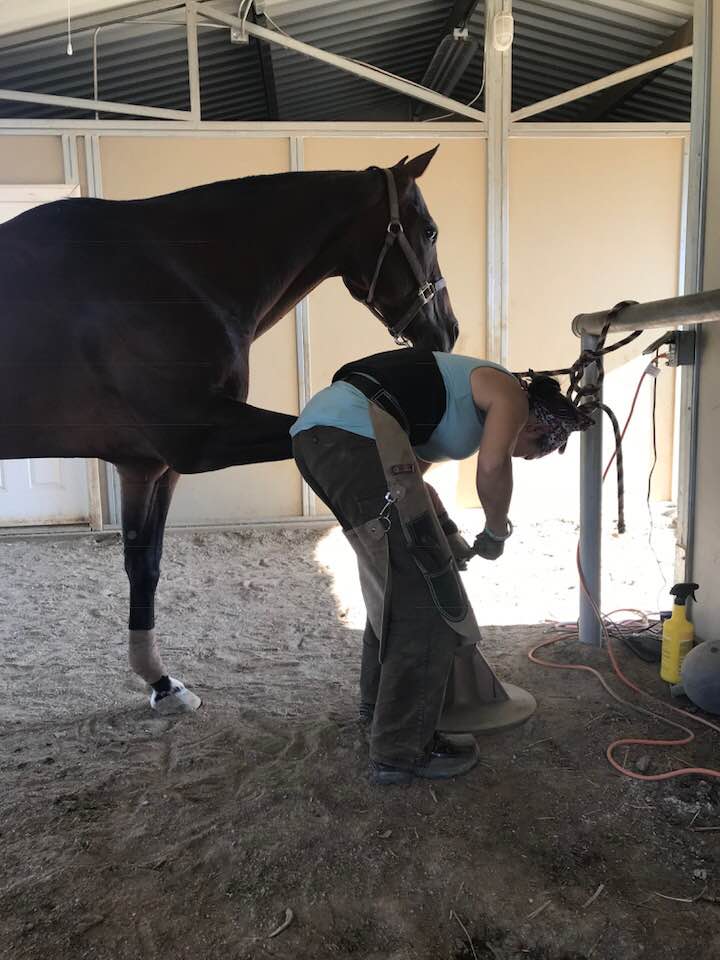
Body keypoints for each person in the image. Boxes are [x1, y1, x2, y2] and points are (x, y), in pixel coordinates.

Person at [291, 348, 593, 786]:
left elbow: (413, 480)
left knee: (397, 582)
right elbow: (492, 466)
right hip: (351, 440)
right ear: (535, 425)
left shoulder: (445, 403)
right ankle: (402, 750)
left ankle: (379, 709)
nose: (526, 455)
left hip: (320, 439)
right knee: (426, 604)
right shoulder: (510, 394)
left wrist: (447, 532)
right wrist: (495, 531)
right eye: (532, 449)